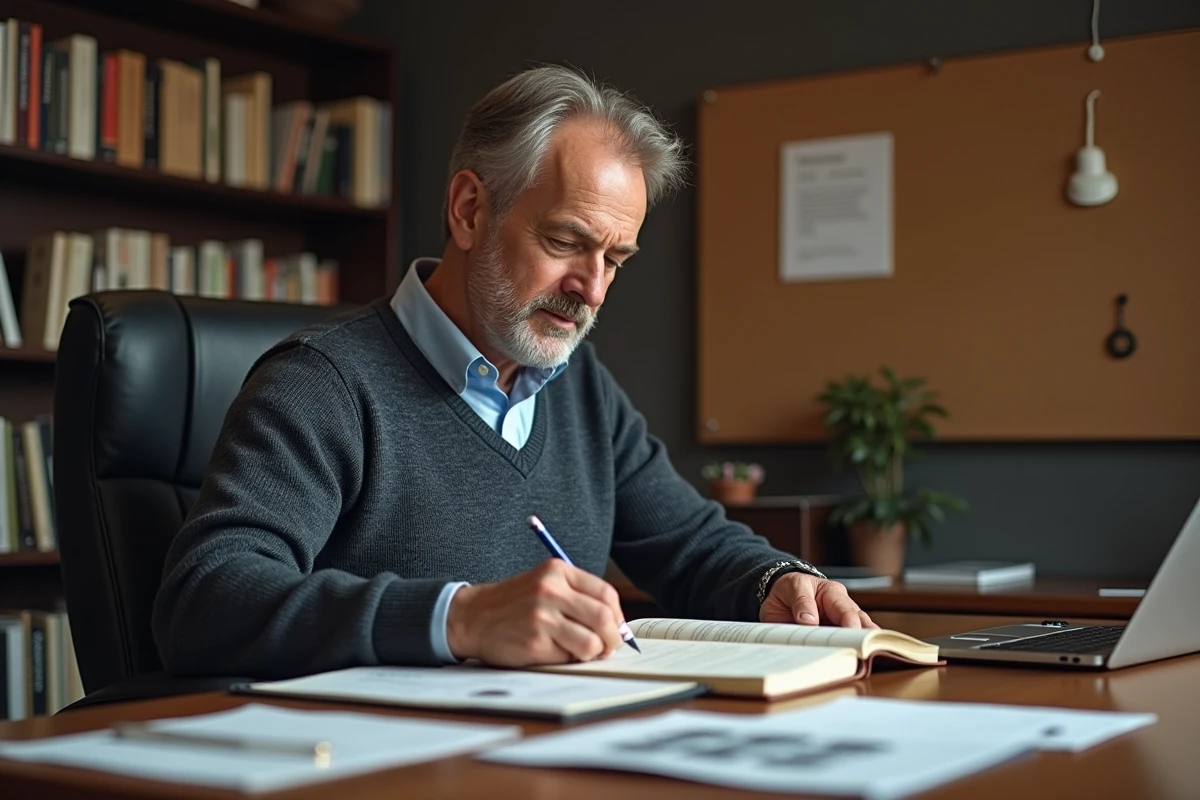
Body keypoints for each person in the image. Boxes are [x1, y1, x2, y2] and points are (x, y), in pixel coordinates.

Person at [152, 64, 877, 680]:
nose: (591, 289)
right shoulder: (324, 384)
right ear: (470, 210)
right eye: (567, 241)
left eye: (615, 260)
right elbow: (205, 599)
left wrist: (779, 582)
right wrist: (458, 617)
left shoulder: (581, 386)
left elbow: (691, 542)